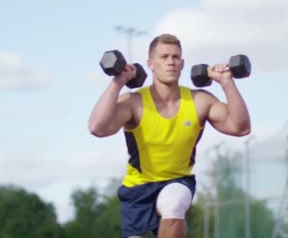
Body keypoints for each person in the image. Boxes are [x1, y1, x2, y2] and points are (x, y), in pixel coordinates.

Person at [88, 33, 251, 238]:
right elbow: (97, 128)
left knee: (173, 203)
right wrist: (118, 82)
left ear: (182, 64)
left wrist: (227, 83)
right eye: (164, 57)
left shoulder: (199, 100)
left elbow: (240, 127)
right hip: (137, 188)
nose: (171, 62)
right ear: (150, 64)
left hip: (177, 180)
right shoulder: (134, 101)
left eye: (175, 57)